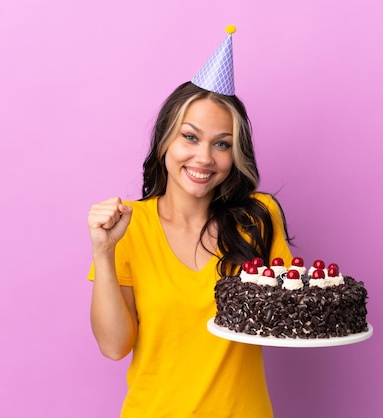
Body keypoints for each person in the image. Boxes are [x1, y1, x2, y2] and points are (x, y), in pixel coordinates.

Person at [86, 27, 293, 417]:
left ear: (236, 154)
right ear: (165, 140)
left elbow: (285, 314)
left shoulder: (258, 219)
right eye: (190, 137)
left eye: (222, 143)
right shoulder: (128, 225)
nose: (204, 158)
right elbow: (114, 346)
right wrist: (103, 251)